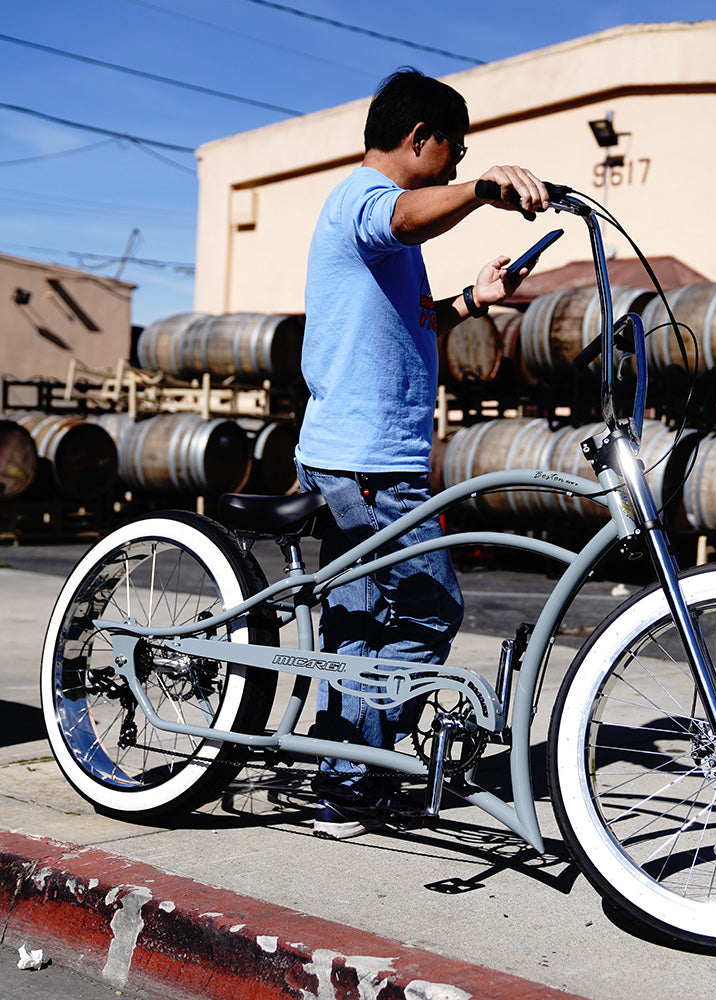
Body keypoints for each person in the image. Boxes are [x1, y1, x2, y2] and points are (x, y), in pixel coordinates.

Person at [294, 68, 550, 839]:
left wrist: (474, 300)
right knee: (429, 607)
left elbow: (413, 316)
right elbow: (403, 218)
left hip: (370, 457)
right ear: (421, 140)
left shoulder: (383, 234)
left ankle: (346, 779)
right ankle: (354, 781)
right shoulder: (363, 203)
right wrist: (481, 193)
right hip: (367, 463)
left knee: (361, 623)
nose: (459, 165)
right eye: (456, 152)